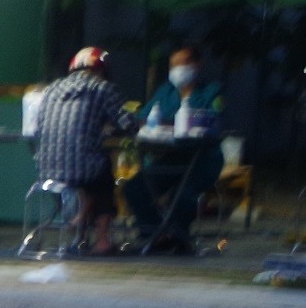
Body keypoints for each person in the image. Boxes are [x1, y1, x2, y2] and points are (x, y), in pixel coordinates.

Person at [123, 45, 227, 254]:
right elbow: (145, 119)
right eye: (173, 65)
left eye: (183, 64)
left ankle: (180, 237)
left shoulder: (211, 91)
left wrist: (172, 124)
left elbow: (211, 120)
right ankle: (154, 234)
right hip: (171, 157)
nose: (178, 69)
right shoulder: (165, 91)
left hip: (202, 159)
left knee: (183, 194)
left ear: (197, 65)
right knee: (135, 187)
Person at [33, 46, 130, 254]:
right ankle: (102, 240)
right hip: (83, 168)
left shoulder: (51, 89)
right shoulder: (102, 88)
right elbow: (128, 124)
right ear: (100, 70)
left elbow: (39, 126)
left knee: (86, 167)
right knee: (102, 172)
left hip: (46, 170)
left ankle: (80, 226)